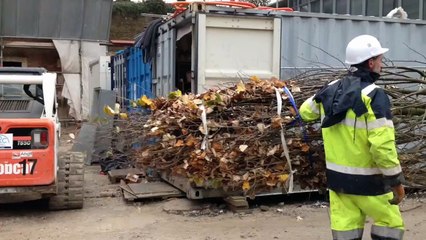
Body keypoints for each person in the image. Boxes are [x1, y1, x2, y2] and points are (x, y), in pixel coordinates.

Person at [299, 35, 405, 240]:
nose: (382, 65)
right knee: (390, 225)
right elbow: (382, 147)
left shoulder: (332, 89)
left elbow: (304, 111)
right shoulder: (375, 96)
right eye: (380, 60)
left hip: (338, 184)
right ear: (371, 62)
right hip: (370, 185)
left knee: (346, 231)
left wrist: (324, 96)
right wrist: (395, 181)